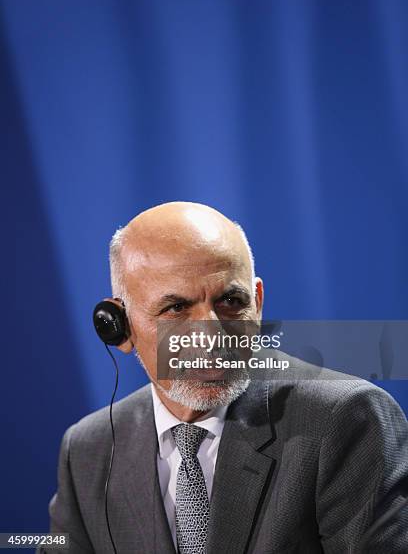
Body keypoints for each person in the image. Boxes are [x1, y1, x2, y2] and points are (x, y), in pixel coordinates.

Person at [44, 202, 408, 553]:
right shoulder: (88, 451)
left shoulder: (345, 420)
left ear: (258, 303)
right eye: (176, 308)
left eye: (231, 301)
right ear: (119, 328)